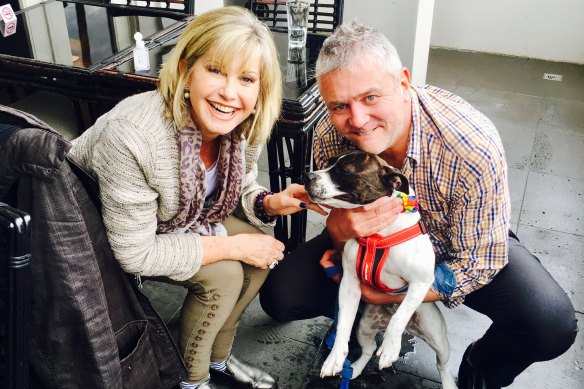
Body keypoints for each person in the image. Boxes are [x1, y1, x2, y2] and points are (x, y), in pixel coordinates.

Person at [260, 21, 577, 388]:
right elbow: (342, 218)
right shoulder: (334, 133)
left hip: (460, 244)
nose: (358, 120)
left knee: (549, 324)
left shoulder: (470, 145)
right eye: (340, 105)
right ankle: (352, 331)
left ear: (404, 83)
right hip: (378, 247)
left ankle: (482, 365)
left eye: (371, 97)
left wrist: (391, 293)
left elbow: (483, 259)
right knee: (280, 296)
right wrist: (338, 231)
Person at [70, 7, 325, 389]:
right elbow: (133, 252)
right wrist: (232, 246)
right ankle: (191, 379)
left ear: (260, 91)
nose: (229, 92)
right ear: (187, 69)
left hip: (175, 218)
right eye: (216, 70)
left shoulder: (242, 126)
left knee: (260, 253)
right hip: (101, 232)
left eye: (246, 79)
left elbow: (235, 189)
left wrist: (270, 203)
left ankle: (218, 359)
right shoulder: (133, 136)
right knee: (224, 274)